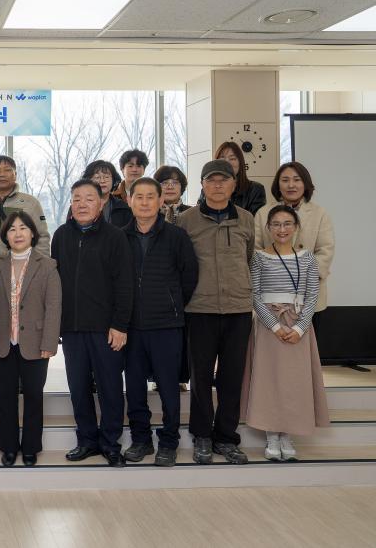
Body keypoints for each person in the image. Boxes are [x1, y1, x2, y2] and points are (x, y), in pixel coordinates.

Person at [177, 159, 255, 465]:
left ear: (234, 184)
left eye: (224, 180)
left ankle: (225, 436)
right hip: (200, 308)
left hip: (238, 309)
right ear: (202, 185)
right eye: (211, 180)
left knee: (232, 376)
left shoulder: (247, 219)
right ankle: (202, 435)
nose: (218, 185)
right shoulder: (186, 220)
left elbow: (250, 259)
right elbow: (181, 264)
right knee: (200, 376)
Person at [52, 179, 133, 468]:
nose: (82, 204)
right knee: (78, 387)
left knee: (110, 387)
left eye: (89, 198)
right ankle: (86, 440)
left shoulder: (114, 237)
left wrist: (120, 325)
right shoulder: (61, 235)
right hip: (72, 329)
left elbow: (125, 284)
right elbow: (54, 284)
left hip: (105, 329)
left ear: (101, 203)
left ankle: (111, 443)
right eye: (76, 199)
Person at [242, 206, 329, 462]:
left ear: (296, 227)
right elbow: (255, 295)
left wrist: (300, 327)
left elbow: (312, 295)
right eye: (276, 224)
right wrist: (275, 326)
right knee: (269, 379)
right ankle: (271, 434)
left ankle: (287, 434)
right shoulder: (259, 257)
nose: (282, 229)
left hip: (299, 326)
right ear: (268, 228)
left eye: (287, 223)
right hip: (268, 327)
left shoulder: (308, 258)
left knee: (294, 381)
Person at [121, 178, 198, 467]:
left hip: (166, 324)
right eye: (138, 196)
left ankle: (169, 441)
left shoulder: (176, 236)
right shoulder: (120, 237)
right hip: (131, 326)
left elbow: (189, 276)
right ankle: (141, 439)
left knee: (168, 387)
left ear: (160, 201)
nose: (144, 202)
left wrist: (172, 303)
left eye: (150, 196)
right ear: (129, 200)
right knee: (135, 388)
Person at [0, 212, 60, 467]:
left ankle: (31, 448)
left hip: (36, 342)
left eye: (23, 228)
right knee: (5, 397)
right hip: (3, 342)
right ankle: (8, 447)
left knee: (34, 396)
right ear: (5, 235)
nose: (18, 233)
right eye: (12, 229)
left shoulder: (47, 265)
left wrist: (49, 343)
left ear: (32, 233)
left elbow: (54, 307)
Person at [0, 155, 51, 393]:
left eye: (7, 170)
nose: (1, 174)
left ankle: (23, 374)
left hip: (22, 273)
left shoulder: (30, 203)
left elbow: (42, 237)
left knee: (20, 321)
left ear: (15, 173)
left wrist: (40, 270)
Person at [255, 162, 334, 316]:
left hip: (309, 295)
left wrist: (303, 277)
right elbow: (255, 250)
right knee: (273, 331)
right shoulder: (263, 213)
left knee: (307, 331)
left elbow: (325, 251)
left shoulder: (319, 213)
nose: (291, 185)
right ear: (278, 185)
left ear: (305, 184)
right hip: (272, 294)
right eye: (285, 180)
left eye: (297, 180)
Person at [214, 142, 266, 215]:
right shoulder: (208, 187)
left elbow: (255, 220)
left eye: (232, 158)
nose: (227, 162)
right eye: (222, 158)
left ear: (240, 163)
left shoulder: (255, 190)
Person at [82, 160, 127, 227]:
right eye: (97, 177)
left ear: (113, 180)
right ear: (89, 181)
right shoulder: (79, 205)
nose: (102, 181)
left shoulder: (122, 207)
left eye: (106, 177)